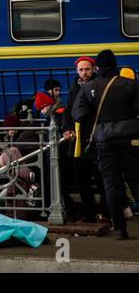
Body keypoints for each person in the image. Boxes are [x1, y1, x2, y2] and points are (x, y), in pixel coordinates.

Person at [72, 49, 139, 240]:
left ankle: (120, 229)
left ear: (98, 67)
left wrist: (98, 114)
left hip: (104, 140)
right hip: (131, 139)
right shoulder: (131, 84)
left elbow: (78, 115)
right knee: (136, 180)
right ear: (115, 65)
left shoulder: (88, 87)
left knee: (111, 184)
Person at [61, 57, 108, 223]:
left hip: (96, 139)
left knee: (102, 180)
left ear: (93, 69)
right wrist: (66, 129)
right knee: (82, 181)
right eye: (81, 70)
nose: (84, 72)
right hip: (78, 141)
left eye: (87, 69)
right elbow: (67, 111)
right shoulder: (74, 87)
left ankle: (105, 214)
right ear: (77, 71)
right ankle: (89, 216)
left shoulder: (99, 85)